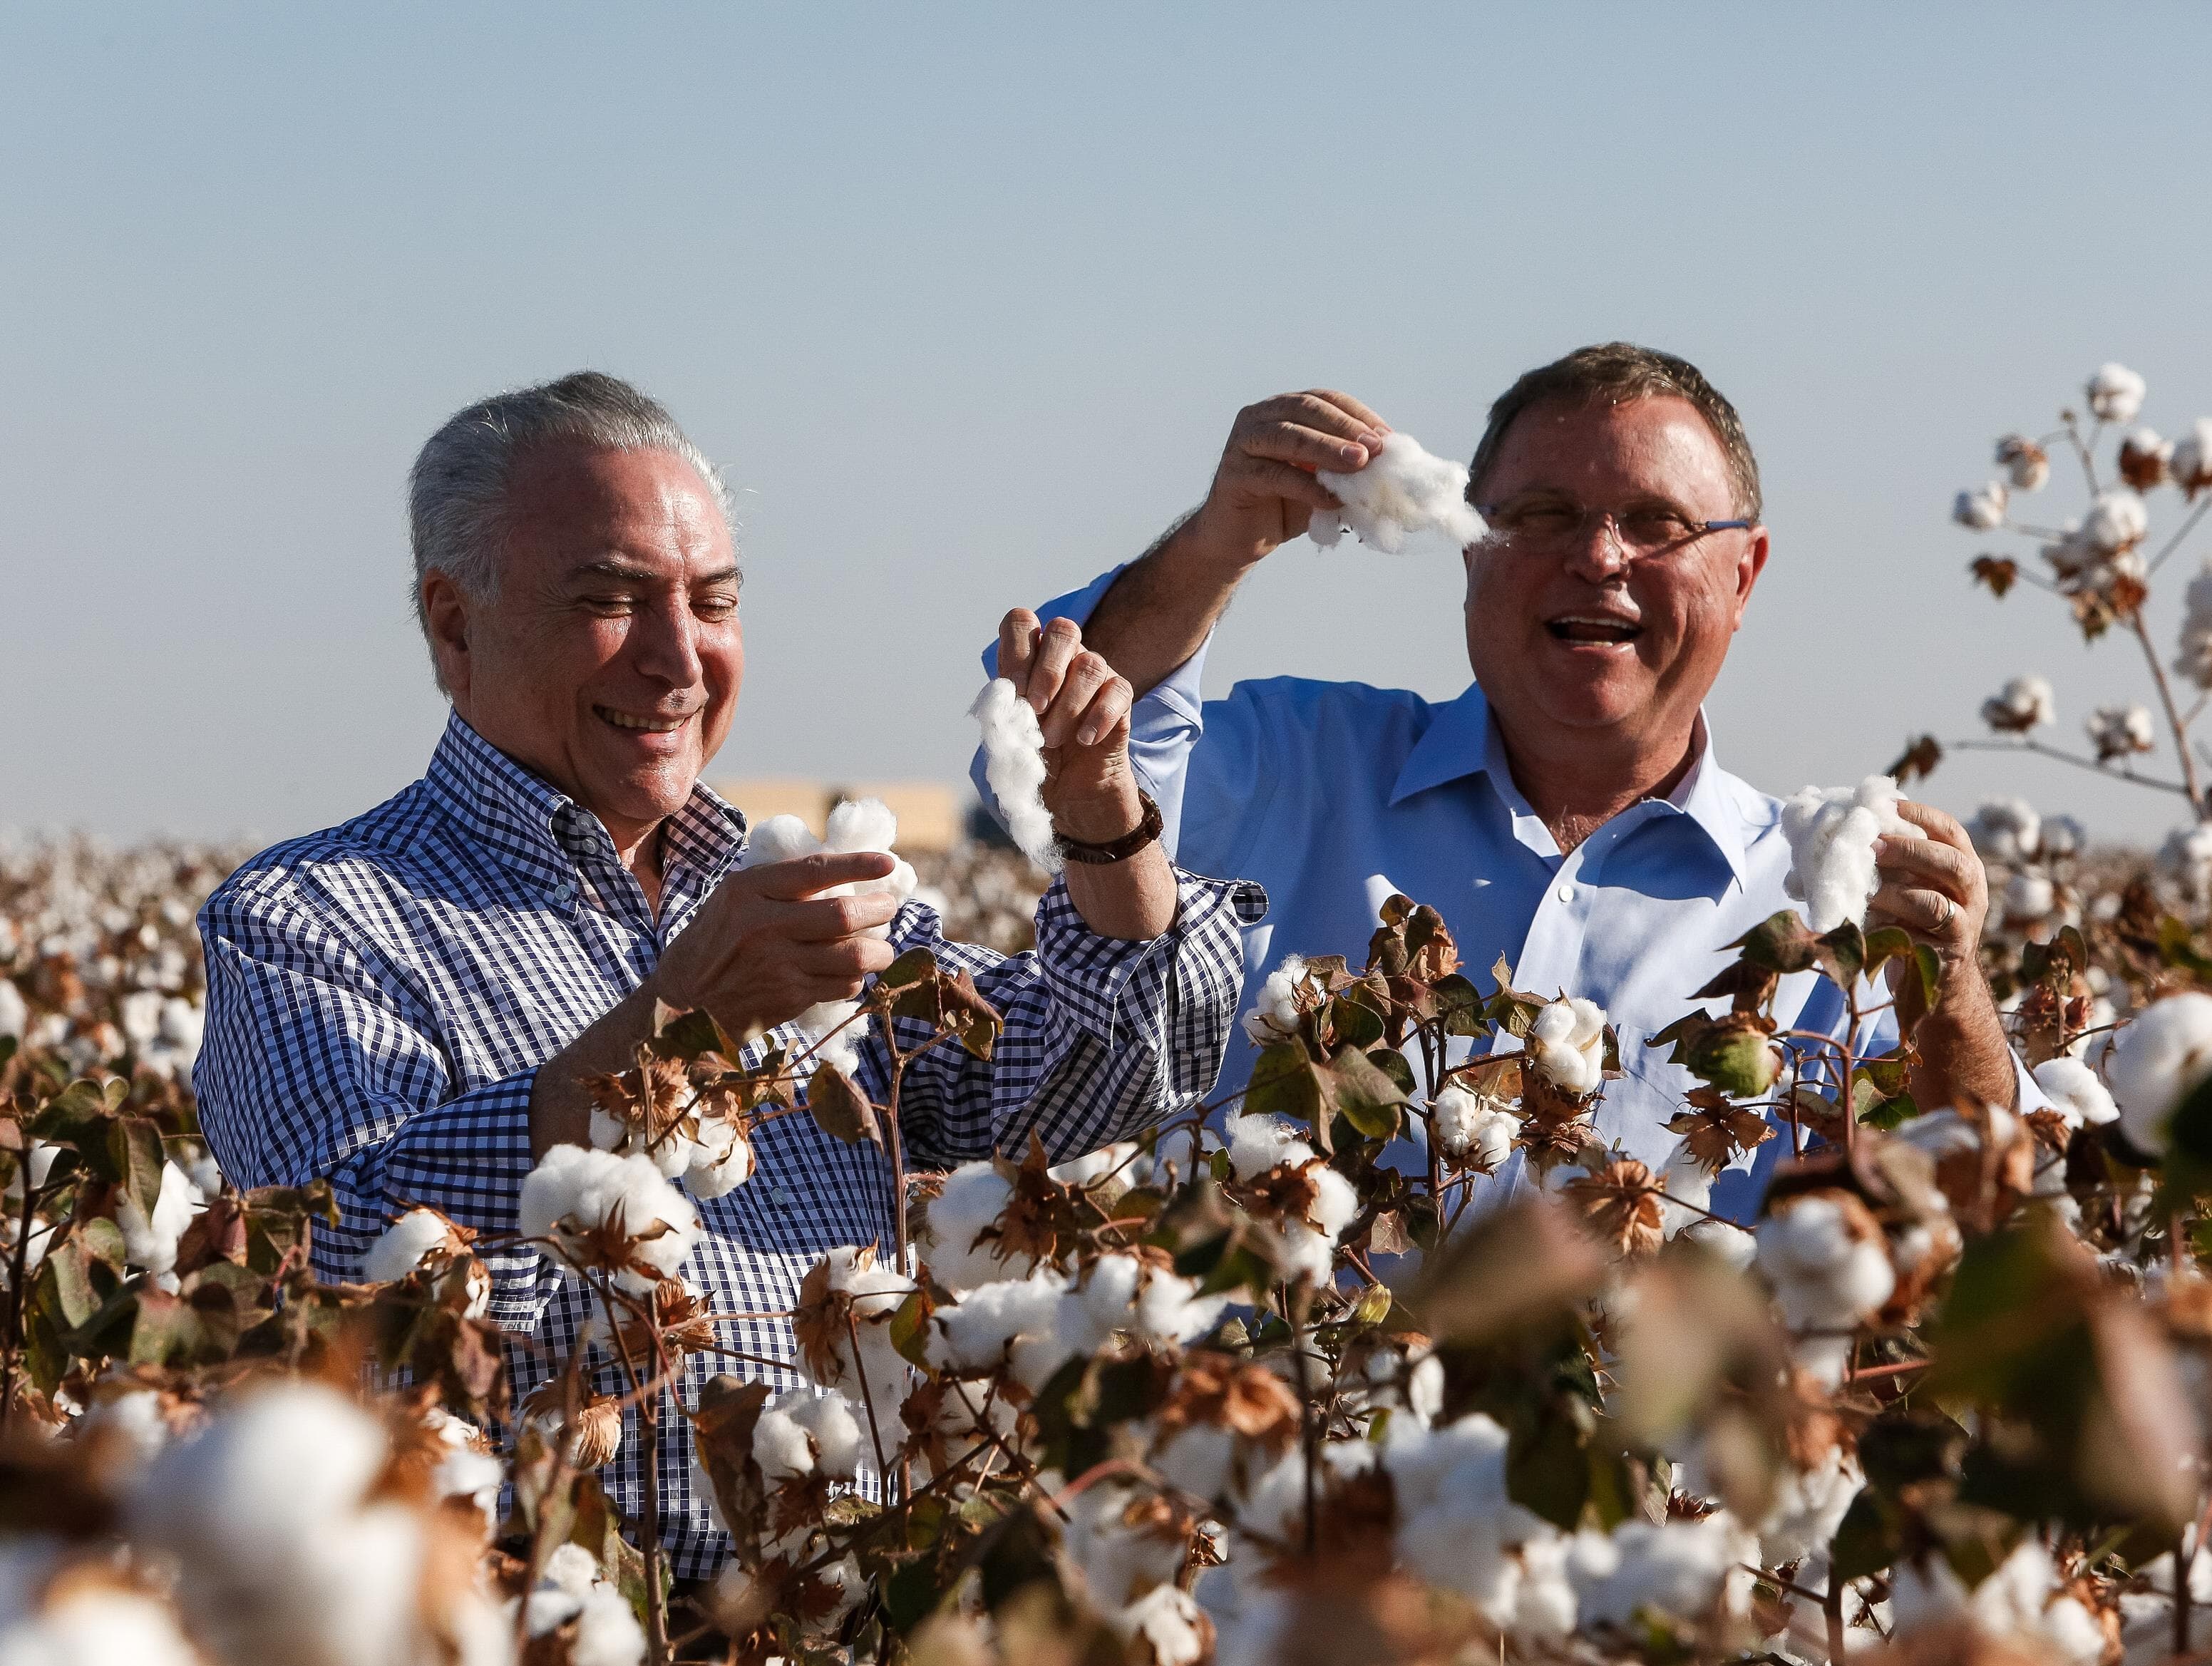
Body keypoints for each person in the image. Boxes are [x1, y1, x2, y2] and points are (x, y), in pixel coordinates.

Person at [195, 371, 1261, 1578]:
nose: (678, 658)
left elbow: (1095, 1083)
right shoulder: (311, 919)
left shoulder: (789, 889)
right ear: (454, 623)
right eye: (609, 599)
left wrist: (1104, 820)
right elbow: (347, 1290)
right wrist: (674, 1024)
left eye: (713, 602)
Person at [979, 343, 2042, 1212]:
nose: (1601, 556)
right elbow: (1053, 758)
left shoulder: (1829, 903)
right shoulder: (1299, 765)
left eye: (1657, 523)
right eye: (1542, 517)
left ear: (1744, 573)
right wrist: (1216, 544)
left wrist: (1949, 1003)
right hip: (1276, 1455)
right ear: (1470, 552)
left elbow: (2000, 1222)